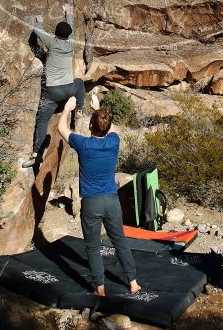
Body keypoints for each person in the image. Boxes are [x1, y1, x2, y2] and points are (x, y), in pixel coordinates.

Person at [57, 93, 141, 296]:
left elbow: (61, 128)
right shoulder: (113, 141)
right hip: (112, 201)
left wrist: (67, 108)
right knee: (120, 241)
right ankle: (133, 283)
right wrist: (98, 109)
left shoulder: (84, 144)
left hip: (91, 204)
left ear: (89, 127)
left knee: (93, 246)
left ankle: (100, 288)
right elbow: (109, 127)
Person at [23, 3, 86, 168]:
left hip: (52, 92)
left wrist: (39, 21)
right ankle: (78, 111)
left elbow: (38, 32)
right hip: (69, 89)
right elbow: (70, 27)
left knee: (42, 121)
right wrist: (69, 13)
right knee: (80, 83)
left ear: (56, 33)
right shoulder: (71, 43)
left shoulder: (51, 42)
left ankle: (36, 153)